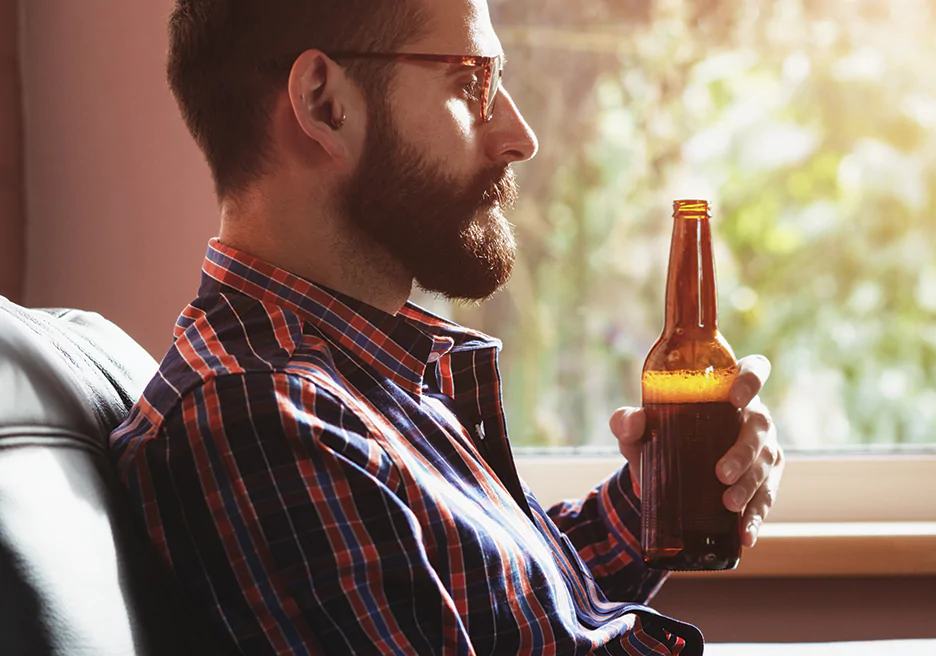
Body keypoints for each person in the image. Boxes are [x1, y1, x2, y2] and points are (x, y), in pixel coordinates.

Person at [108, 0, 785, 653]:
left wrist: (655, 496)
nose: (520, 137)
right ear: (324, 103)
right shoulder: (264, 420)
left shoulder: (364, 377)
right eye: (471, 83)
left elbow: (505, 614)